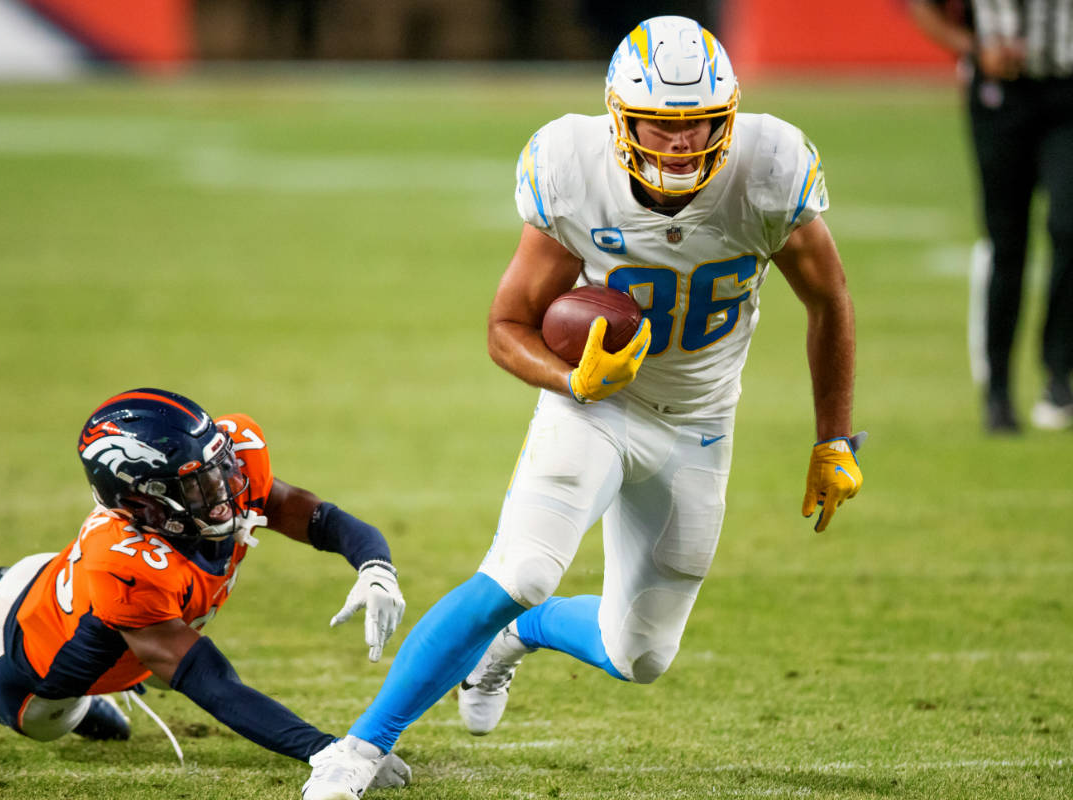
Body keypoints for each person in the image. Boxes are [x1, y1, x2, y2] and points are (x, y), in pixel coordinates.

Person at [301, 16, 864, 800]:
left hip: (699, 424)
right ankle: (358, 749)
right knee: (522, 568)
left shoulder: (770, 170)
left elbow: (828, 298)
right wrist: (574, 384)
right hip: (594, 408)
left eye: (697, 121)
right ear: (618, 120)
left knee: (642, 657)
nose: (679, 143)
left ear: (728, 116)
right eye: (658, 126)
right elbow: (506, 328)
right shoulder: (574, 167)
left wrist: (834, 439)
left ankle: (518, 638)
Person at [0, 387, 410, 786]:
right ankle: (73, 690)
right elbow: (209, 679)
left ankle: (116, 656)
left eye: (220, 470)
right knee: (50, 720)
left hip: (71, 583)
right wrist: (325, 750)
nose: (224, 490)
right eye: (197, 485)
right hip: (19, 663)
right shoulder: (123, 562)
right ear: (143, 501)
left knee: (154, 635)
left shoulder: (228, 463)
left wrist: (375, 566)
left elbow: (315, 517)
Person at [908, 0, 1073, 432]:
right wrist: (975, 48)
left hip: (1068, 91)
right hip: (1001, 93)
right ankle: (998, 390)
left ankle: (1059, 373)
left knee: (1069, 226)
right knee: (1006, 241)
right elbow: (919, 6)